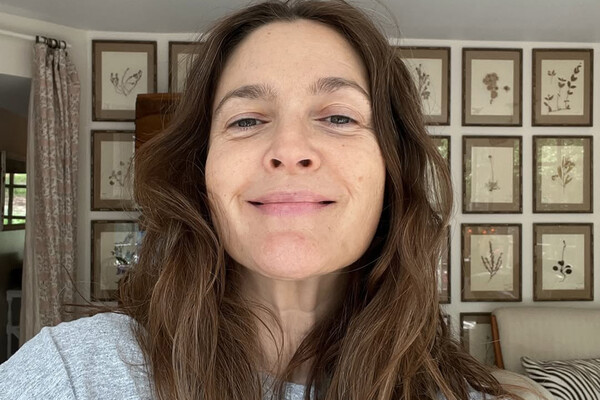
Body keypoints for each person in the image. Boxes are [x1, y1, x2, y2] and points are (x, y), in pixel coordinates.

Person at [0, 1, 524, 399]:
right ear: (201, 171)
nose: (289, 150)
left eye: (338, 116)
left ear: (392, 169)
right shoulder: (74, 374)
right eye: (247, 120)